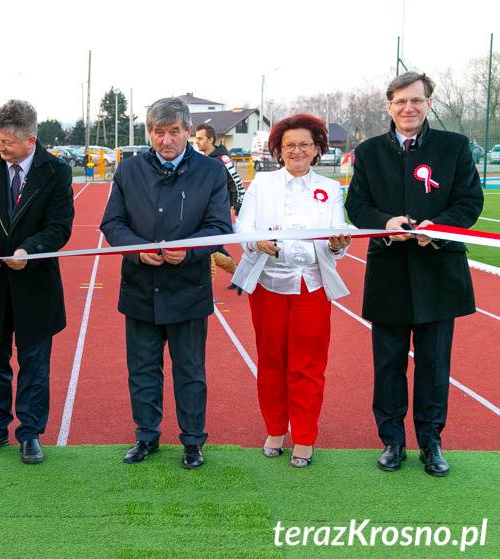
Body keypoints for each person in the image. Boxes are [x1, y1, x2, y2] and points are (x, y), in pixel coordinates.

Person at [345, 72, 484, 477]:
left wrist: (435, 229)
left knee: (434, 364)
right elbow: (357, 206)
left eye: (417, 101)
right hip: (389, 272)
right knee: (388, 364)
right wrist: (385, 221)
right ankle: (392, 441)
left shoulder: (454, 147)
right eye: (401, 101)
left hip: (438, 273)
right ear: (388, 105)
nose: (409, 108)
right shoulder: (369, 152)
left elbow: (468, 202)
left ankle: (430, 442)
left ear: (428, 104)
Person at [100, 97, 232, 469]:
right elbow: (112, 223)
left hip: (188, 290)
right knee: (142, 369)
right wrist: (137, 249)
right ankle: (146, 436)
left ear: (188, 131)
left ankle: (192, 441)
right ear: (149, 132)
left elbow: (219, 228)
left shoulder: (210, 172)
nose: (166, 140)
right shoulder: (129, 171)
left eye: (174, 132)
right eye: (158, 132)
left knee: (190, 371)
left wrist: (188, 253)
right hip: (140, 288)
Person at [0, 99, 74, 464]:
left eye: (6, 140)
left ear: (30, 140)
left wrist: (29, 251)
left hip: (34, 284)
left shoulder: (56, 171)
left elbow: (59, 226)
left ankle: (30, 433)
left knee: (35, 363)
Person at [232, 114, 352, 468]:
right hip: (269, 285)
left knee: (308, 365)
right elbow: (243, 227)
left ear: (316, 149)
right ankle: (274, 429)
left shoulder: (329, 189)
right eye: (289, 145)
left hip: (310, 286)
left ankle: (304, 436)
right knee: (271, 362)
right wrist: (257, 242)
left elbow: (338, 234)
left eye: (304, 144)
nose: (296, 150)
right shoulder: (261, 185)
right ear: (278, 151)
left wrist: (337, 244)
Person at [194, 122, 241, 278]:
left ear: (211, 140)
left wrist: (238, 204)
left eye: (200, 138)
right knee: (213, 243)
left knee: (212, 242)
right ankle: (239, 274)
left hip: (219, 207)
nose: (197, 141)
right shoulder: (202, 159)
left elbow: (236, 181)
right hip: (203, 208)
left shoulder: (223, 159)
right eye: (197, 138)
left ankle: (235, 274)